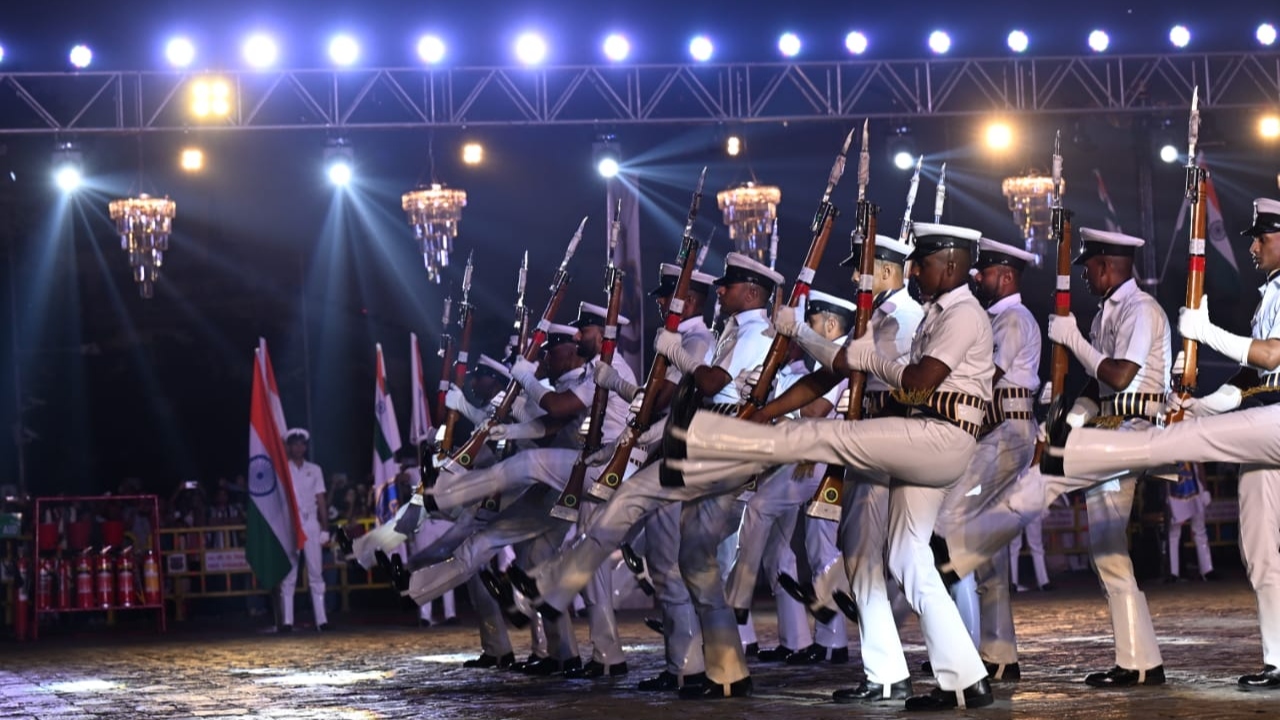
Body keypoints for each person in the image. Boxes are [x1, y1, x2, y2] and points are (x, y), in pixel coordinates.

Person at [665, 224, 997, 710]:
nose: (861, 278)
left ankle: (713, 438)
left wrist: (802, 336)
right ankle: (960, 680)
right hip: (894, 444)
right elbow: (835, 371)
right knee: (892, 558)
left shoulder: (920, 317)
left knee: (827, 444)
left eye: (867, 267)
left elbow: (902, 379)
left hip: (909, 439)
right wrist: (767, 410)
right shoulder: (912, 317)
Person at [509, 252, 783, 699]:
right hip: (702, 442)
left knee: (630, 502)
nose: (722, 291)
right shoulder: (731, 330)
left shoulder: (755, 332)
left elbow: (711, 385)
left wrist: (674, 352)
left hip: (720, 448)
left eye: (729, 285)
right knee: (695, 567)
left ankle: (552, 584)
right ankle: (725, 671)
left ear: (752, 292)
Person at [1041, 197, 1280, 690]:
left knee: (1109, 548)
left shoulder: (1140, 310)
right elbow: (1253, 378)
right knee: (1259, 550)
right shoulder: (1267, 296)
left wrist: (1208, 333)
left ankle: (1139, 661)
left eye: (1263, 238)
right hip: (1254, 423)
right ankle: (1278, 660)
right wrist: (1205, 404)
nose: (1254, 246)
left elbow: (1273, 355)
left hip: (1135, 435)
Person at [947, 227, 1172, 688]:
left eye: (1088, 267)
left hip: (1133, 433)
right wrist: (1065, 423)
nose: (1085, 277)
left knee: (1060, 495)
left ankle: (960, 549)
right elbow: (1095, 387)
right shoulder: (1108, 313)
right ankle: (1141, 662)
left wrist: (1073, 342)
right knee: (1108, 553)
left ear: (1107, 265)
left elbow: (1121, 375)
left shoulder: (1140, 309)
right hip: (1106, 432)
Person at [933, 238, 1042, 682]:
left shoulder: (1012, 319)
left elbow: (986, 377)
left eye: (986, 272)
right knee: (984, 545)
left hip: (1002, 433)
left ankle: (968, 642)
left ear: (1008, 276)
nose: (978, 278)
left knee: (951, 525)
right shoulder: (998, 318)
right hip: (994, 433)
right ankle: (995, 650)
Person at [278, 428, 331, 632]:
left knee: (316, 571)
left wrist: (325, 527)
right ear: (289, 447)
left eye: (302, 444)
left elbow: (321, 499)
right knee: (290, 572)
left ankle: (322, 620)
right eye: (295, 444)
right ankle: (287, 621)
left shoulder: (314, 469)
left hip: (310, 522)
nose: (299, 447)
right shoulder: (284, 468)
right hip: (292, 522)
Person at [1164, 462, 1214, 583]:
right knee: (1174, 533)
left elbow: (1200, 463)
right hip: (1174, 488)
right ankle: (1173, 572)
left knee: (1199, 530)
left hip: (1195, 487)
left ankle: (1207, 570)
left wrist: (1205, 489)